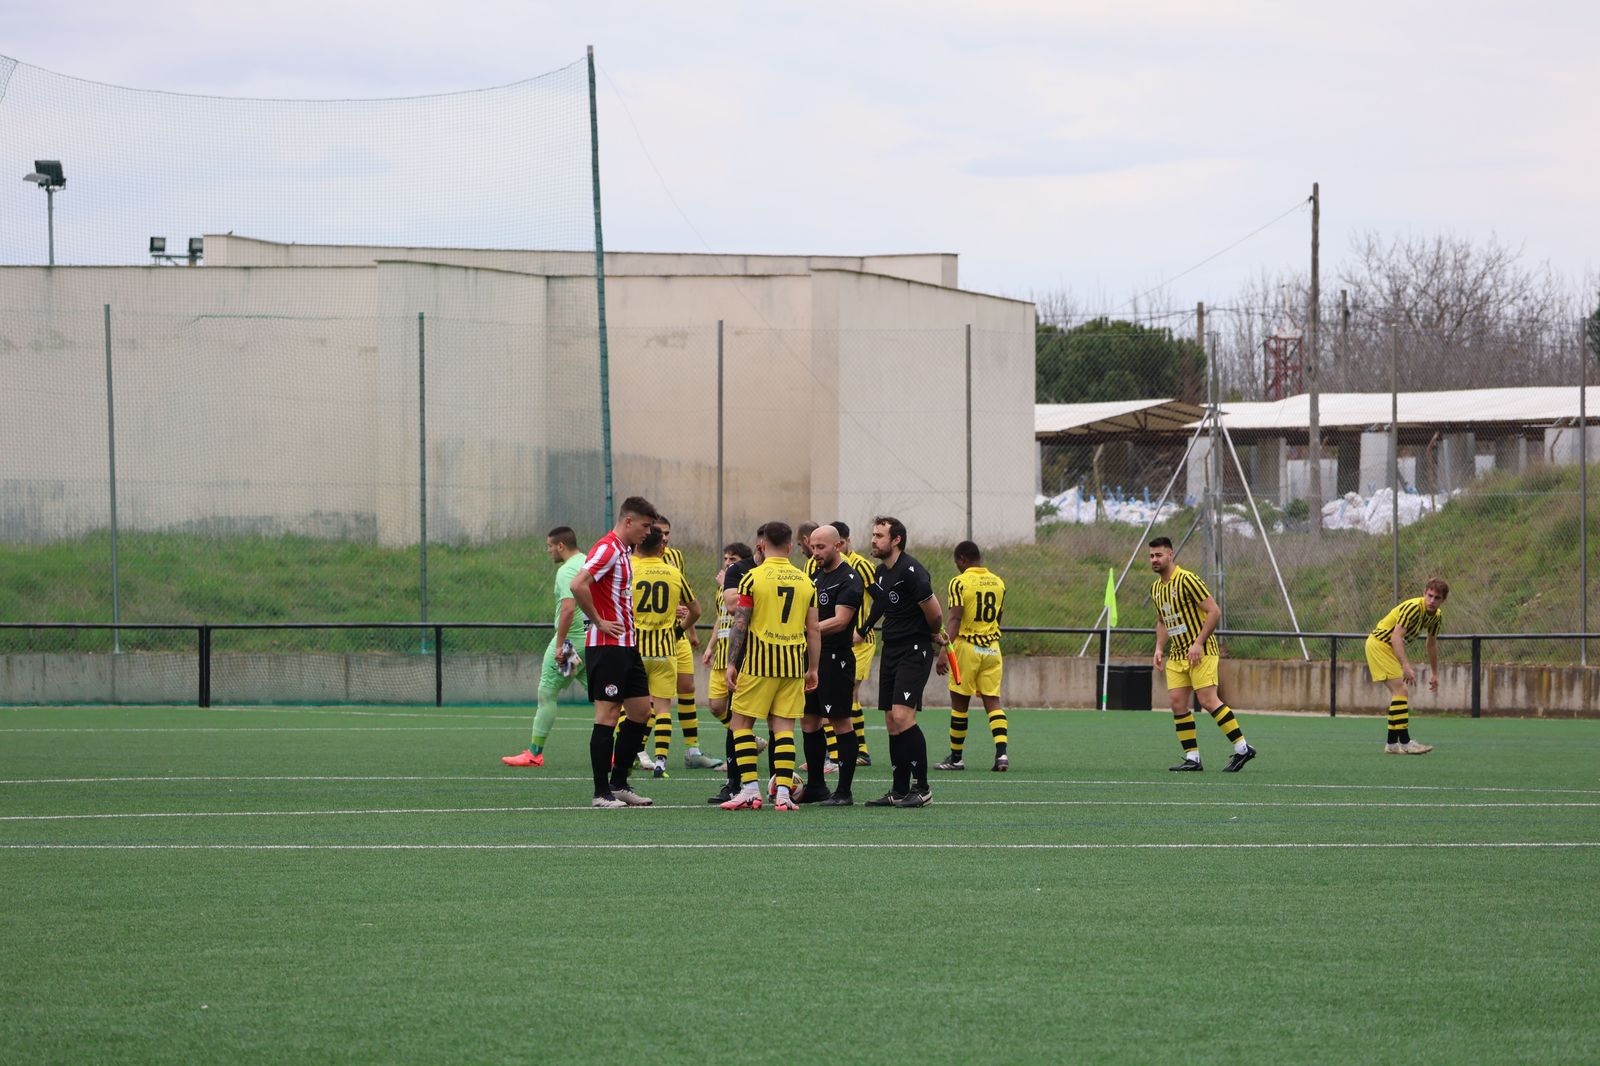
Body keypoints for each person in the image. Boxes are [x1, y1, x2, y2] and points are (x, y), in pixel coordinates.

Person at [721, 521, 820, 811]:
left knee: (741, 724)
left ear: (762, 546)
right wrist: (813, 668)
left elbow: (741, 622)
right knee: (784, 729)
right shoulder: (806, 581)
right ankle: (784, 795)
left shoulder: (752, 578)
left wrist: (731, 662)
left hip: (758, 664)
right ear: (790, 547)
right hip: (791, 665)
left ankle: (750, 790)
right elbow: (813, 629)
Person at [569, 495, 660, 808]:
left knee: (641, 712)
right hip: (607, 647)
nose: (649, 532)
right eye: (646, 526)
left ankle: (619, 783)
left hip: (627, 647)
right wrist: (598, 621)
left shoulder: (624, 551)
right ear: (629, 521)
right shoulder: (607, 547)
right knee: (607, 715)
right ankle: (600, 793)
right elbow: (578, 584)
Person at [854, 516, 945, 807]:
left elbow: (936, 611)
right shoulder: (881, 572)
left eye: (879, 535)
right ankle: (899, 789)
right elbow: (881, 604)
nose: (873, 540)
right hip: (891, 650)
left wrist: (932, 634)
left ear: (896, 540)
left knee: (904, 716)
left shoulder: (912, 571)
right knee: (892, 721)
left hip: (914, 650)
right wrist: (863, 630)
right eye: (873, 534)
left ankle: (923, 788)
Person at [1148, 537, 1256, 773]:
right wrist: (1158, 648)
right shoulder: (1156, 588)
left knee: (1207, 701)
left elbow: (1214, 611)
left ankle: (1242, 748)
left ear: (1170, 554)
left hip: (1201, 652)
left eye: (1159, 555)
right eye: (1151, 556)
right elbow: (1162, 621)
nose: (1154, 560)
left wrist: (1198, 643)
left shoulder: (1188, 579)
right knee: (1177, 703)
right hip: (1177, 655)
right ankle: (1193, 758)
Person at [503, 526, 588, 768]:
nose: (548, 551)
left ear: (561, 545)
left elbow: (569, 609)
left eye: (550, 546)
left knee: (547, 693)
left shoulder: (566, 571)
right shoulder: (589, 562)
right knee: (603, 696)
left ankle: (534, 753)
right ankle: (624, 752)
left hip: (571, 645)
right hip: (592, 641)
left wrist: (561, 645)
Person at [800, 525, 864, 805]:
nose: (815, 553)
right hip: (813, 658)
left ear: (838, 546)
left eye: (821, 547)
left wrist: (806, 630)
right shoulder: (814, 576)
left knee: (840, 721)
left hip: (836, 660)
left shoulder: (849, 578)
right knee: (809, 721)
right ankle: (816, 786)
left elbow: (840, 620)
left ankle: (844, 792)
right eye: (813, 547)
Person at [630, 527, 701, 777]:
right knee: (662, 708)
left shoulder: (631, 571)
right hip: (665, 650)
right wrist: (680, 630)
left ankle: (630, 755)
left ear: (637, 547)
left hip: (636, 650)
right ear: (662, 548)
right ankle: (661, 761)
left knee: (629, 708)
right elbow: (696, 610)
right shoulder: (673, 573)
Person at [934, 541, 1010, 772]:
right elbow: (998, 619)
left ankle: (956, 757)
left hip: (968, 648)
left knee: (959, 704)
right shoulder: (998, 582)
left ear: (962, 559)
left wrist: (944, 651)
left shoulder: (959, 582)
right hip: (992, 649)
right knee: (993, 703)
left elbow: (955, 619)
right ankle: (1002, 755)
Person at [656, 515, 722, 769]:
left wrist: (691, 631)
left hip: (677, 633)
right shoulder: (637, 560)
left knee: (687, 687)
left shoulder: (676, 557)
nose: (664, 537)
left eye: (667, 532)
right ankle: (637, 752)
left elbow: (686, 597)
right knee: (649, 698)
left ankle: (692, 751)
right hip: (652, 637)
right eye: (660, 532)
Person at [1366, 579, 1448, 754]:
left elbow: (1431, 644)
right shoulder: (1413, 607)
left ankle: (1392, 744)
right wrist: (1406, 666)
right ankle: (1405, 742)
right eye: (1430, 596)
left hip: (1388, 648)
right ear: (1424, 593)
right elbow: (1396, 637)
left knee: (1399, 693)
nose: (1432, 601)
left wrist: (1435, 673)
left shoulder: (1437, 617)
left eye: (1437, 598)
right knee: (1401, 690)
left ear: (1443, 600)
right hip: (1380, 644)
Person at [703, 542, 756, 803]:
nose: (727, 562)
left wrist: (727, 585)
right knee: (715, 706)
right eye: (725, 557)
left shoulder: (740, 583)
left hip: (740, 657)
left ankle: (737, 783)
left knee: (738, 719)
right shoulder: (724, 586)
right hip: (722, 655)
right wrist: (710, 646)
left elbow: (737, 610)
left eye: (732, 558)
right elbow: (720, 618)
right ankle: (749, 743)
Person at [836, 520, 876, 767]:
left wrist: (863, 629)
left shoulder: (863, 566)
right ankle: (842, 750)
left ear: (847, 541)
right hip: (836, 642)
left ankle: (860, 751)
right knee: (838, 694)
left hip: (860, 642)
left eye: (841, 543)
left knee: (849, 693)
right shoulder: (820, 564)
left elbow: (881, 601)